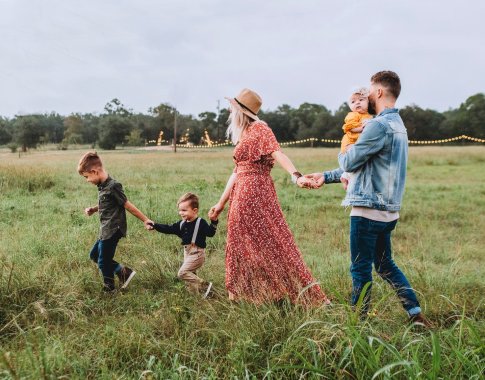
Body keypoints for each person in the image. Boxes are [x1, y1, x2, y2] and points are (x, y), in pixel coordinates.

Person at [306, 71, 431, 326]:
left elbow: (351, 160)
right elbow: (366, 165)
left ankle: (357, 323)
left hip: (367, 210)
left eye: (371, 92)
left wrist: (346, 150)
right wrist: (327, 176)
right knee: (385, 265)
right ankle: (414, 313)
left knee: (360, 269)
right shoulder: (398, 126)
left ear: (380, 93)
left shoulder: (376, 125)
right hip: (388, 211)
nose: (368, 96)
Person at [208, 88, 330, 305]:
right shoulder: (244, 134)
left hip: (255, 191)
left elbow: (277, 153)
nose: (229, 111)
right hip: (241, 192)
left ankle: (290, 291)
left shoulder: (260, 129)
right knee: (240, 243)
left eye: (232, 107)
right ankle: (245, 294)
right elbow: (237, 171)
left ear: (241, 111)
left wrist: (296, 176)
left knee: (273, 242)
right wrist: (220, 203)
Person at [78, 151, 152, 292]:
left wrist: (145, 220)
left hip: (113, 229)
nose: (87, 180)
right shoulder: (103, 186)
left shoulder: (113, 186)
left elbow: (127, 205)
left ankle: (109, 288)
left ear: (94, 171)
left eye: (87, 177)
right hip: (105, 229)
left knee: (103, 261)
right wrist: (94, 209)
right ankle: (123, 272)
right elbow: (107, 204)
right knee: (94, 255)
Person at [148, 192, 217, 298]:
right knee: (190, 278)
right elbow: (168, 228)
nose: (181, 213)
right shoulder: (182, 224)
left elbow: (210, 233)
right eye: (180, 210)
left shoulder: (200, 222)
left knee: (183, 273)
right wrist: (155, 225)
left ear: (195, 210)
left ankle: (205, 285)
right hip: (187, 252)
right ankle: (195, 297)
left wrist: (213, 221)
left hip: (197, 253)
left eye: (184, 210)